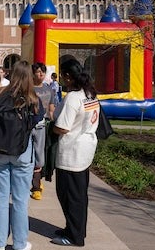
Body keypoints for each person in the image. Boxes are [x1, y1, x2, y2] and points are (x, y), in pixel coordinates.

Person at [0, 60, 41, 250]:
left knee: (0, 198)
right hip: (22, 152)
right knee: (20, 200)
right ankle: (19, 243)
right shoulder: (33, 99)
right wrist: (40, 160)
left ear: (11, 74)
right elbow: (38, 130)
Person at [51, 58, 99, 247]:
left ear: (69, 77)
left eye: (63, 75)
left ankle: (74, 236)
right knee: (79, 195)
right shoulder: (89, 93)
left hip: (71, 152)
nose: (61, 79)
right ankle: (73, 228)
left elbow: (63, 127)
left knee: (69, 195)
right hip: (85, 149)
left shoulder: (73, 97)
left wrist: (51, 128)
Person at [30, 62, 57, 201]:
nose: (40, 74)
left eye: (42, 72)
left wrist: (53, 121)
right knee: (30, 155)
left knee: (40, 156)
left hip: (44, 126)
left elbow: (51, 109)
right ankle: (33, 184)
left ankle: (37, 184)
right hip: (30, 125)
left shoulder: (49, 90)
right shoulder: (28, 88)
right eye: (38, 72)